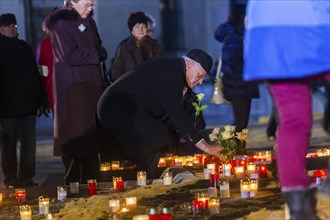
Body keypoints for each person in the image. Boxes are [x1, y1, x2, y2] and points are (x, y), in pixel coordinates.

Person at [243, 1, 330, 219]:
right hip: (317, 23)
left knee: (293, 121)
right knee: (294, 119)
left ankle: (300, 210)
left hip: (271, 32)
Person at [97, 49, 223, 179]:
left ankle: (142, 177)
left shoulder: (173, 70)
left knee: (161, 135)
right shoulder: (172, 74)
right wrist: (207, 147)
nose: (201, 81)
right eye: (200, 75)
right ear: (190, 64)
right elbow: (177, 115)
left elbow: (165, 112)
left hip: (125, 108)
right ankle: (141, 179)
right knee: (158, 135)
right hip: (116, 108)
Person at [43, 0, 108, 184]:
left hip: (91, 87)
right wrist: (96, 54)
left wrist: (99, 53)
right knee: (79, 137)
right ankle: (78, 182)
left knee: (89, 138)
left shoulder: (89, 22)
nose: (90, 8)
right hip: (75, 89)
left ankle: (88, 180)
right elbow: (69, 55)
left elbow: (96, 44)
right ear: (72, 2)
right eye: (86, 4)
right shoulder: (62, 24)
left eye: (92, 5)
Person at [0, 13, 49, 188]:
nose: (12, 28)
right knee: (9, 144)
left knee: (29, 144)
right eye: (8, 25)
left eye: (14, 25)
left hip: (27, 105)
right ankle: (11, 177)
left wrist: (40, 98)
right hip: (7, 106)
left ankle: (26, 177)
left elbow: (34, 75)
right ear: (1, 28)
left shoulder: (24, 47)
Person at [214, 3, 259, 132]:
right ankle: (231, 146)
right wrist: (250, 68)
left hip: (242, 85)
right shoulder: (233, 37)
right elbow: (232, 62)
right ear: (241, 17)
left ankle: (237, 147)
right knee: (240, 122)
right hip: (237, 85)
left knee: (242, 122)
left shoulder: (240, 35)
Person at [111, 11, 164, 82]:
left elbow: (162, 68)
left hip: (152, 88)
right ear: (131, 30)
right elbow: (117, 71)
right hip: (131, 89)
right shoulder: (124, 47)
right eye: (137, 26)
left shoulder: (155, 46)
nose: (141, 29)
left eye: (143, 26)